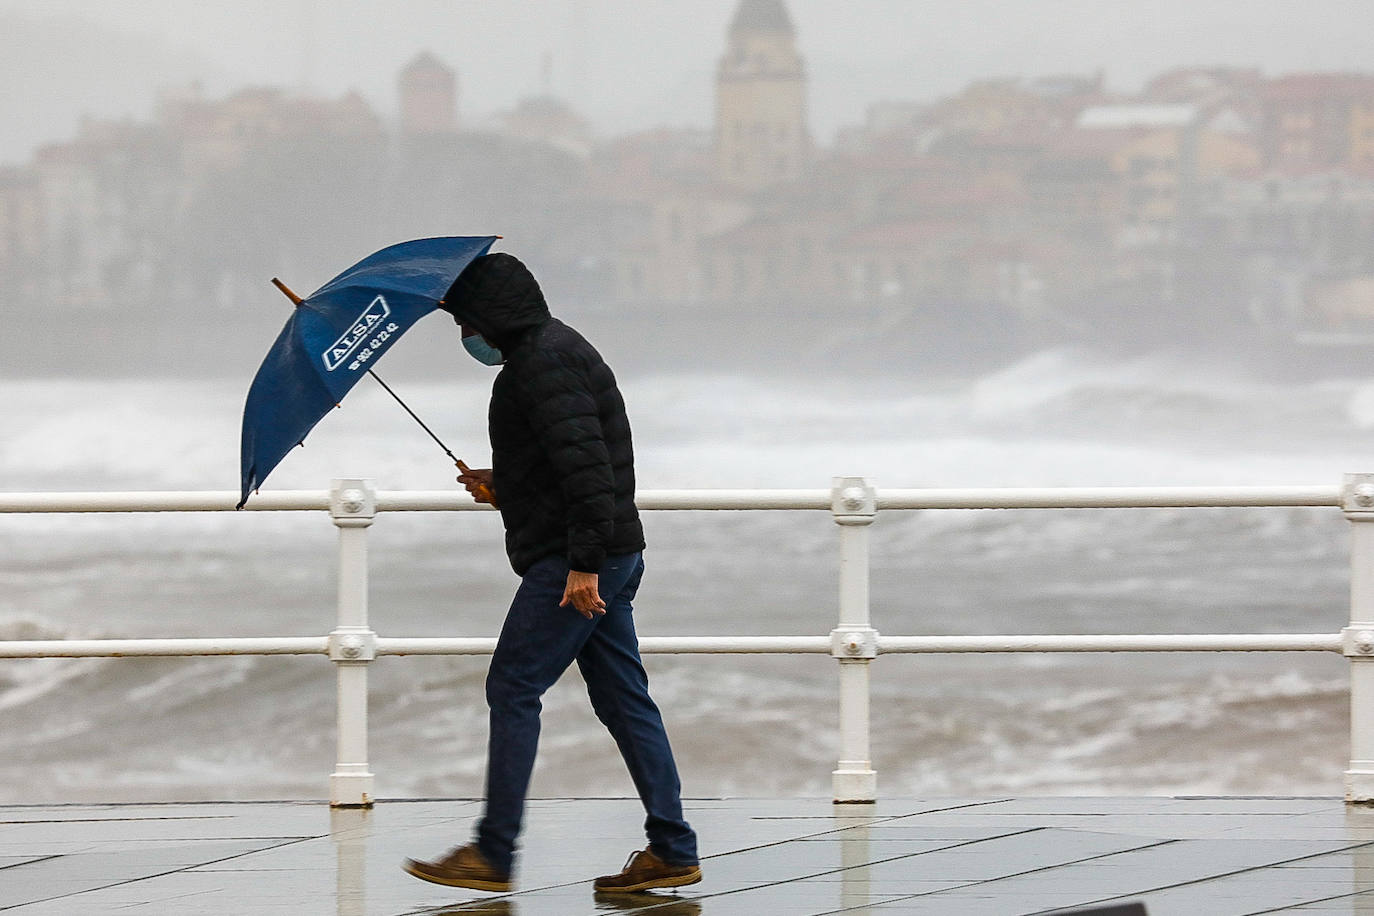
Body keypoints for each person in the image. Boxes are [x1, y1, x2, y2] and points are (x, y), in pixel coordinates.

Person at [402, 252, 701, 895]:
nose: (463, 336)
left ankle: (493, 853)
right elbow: (563, 464)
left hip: (581, 561)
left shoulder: (539, 366)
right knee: (624, 700)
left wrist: (583, 567)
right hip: (611, 553)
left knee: (512, 687)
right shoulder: (553, 352)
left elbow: (590, 472)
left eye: (464, 321)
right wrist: (501, 483)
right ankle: (673, 848)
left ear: (490, 316)